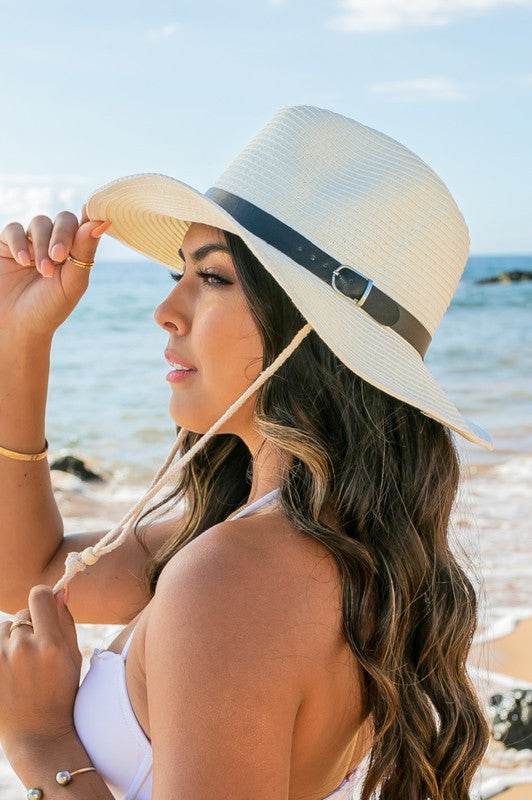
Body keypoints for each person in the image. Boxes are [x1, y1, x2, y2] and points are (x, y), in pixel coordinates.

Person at [0, 105, 491, 800]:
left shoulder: (234, 579)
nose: (166, 310)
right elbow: (31, 575)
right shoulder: (302, 544)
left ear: (308, 330)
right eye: (181, 272)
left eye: (214, 277)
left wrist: (39, 741)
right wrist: (21, 340)